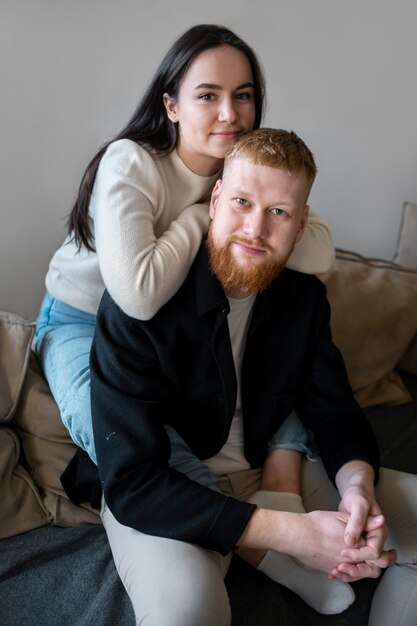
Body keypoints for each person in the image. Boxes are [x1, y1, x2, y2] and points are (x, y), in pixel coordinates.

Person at [87, 127, 417, 626]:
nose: (256, 229)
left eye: (279, 213)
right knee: (188, 611)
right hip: (168, 488)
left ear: (301, 224)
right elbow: (132, 481)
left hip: (268, 467)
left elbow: (335, 410)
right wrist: (294, 535)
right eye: (242, 201)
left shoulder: (303, 298)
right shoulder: (139, 305)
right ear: (215, 199)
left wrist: (358, 488)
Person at [34, 24, 333, 472]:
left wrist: (247, 209)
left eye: (244, 96)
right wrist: (201, 215)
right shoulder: (131, 162)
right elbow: (137, 295)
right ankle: (227, 530)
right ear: (171, 106)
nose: (230, 114)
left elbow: (319, 252)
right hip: (81, 319)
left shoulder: (242, 172)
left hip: (161, 336)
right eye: (208, 96)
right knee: (122, 439)